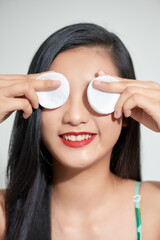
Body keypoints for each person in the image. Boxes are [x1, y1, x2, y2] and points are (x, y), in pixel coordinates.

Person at [0, 22, 160, 240]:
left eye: (98, 95)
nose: (75, 117)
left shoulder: (155, 209)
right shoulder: (5, 214)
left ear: (127, 112)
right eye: (57, 95)